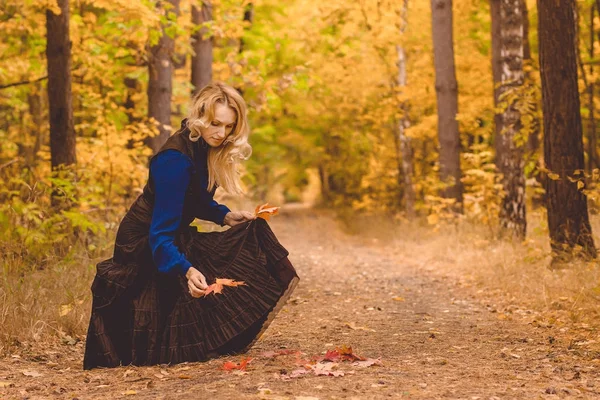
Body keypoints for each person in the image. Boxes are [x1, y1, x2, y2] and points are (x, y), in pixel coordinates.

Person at [83, 82, 299, 369]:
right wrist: (185, 269)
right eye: (215, 123)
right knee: (191, 280)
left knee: (241, 241)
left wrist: (225, 216)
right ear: (199, 117)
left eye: (228, 127)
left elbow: (193, 200)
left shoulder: (202, 146)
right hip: (144, 239)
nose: (221, 133)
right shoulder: (174, 160)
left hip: (168, 233)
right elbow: (160, 234)